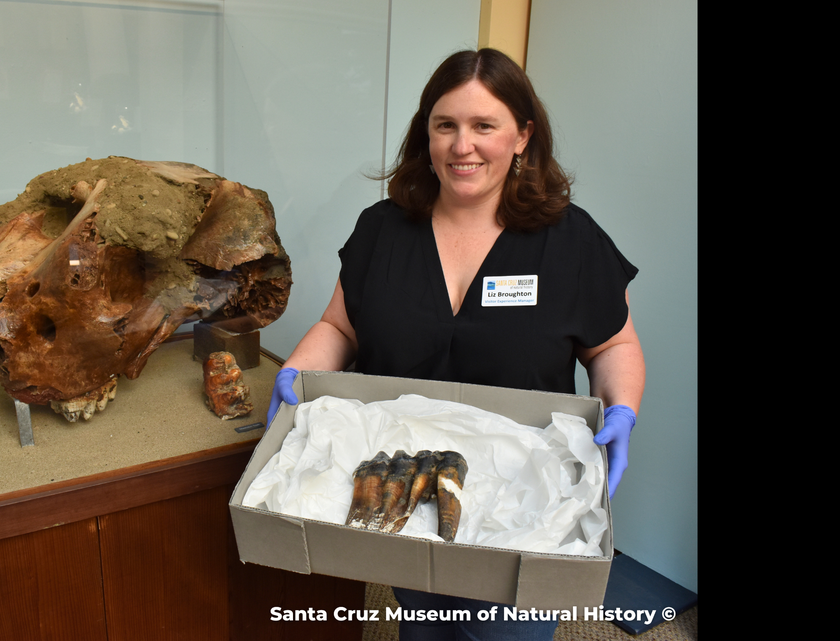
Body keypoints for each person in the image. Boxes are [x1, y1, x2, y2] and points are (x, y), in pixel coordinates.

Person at [266, 48, 644, 641]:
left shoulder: (570, 241)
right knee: (423, 624)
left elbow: (612, 344)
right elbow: (340, 327)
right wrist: (297, 373)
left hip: (522, 494)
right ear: (427, 133)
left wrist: (621, 409)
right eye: (446, 125)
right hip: (409, 478)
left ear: (522, 136)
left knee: (505, 630)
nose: (461, 145)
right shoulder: (381, 229)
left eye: (483, 126)